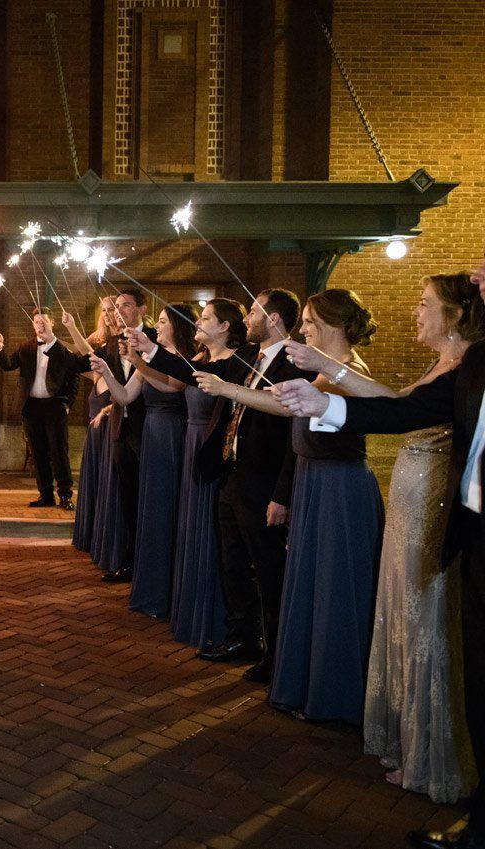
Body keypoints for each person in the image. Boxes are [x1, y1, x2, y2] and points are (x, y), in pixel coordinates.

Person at [273, 253, 485, 849]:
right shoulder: (449, 366)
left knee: (430, 627)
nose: (415, 311)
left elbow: (401, 413)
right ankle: (414, 746)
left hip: (435, 508)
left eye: (423, 303)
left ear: (455, 314)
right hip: (415, 500)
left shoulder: (468, 365)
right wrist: (326, 386)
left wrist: (327, 391)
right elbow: (401, 405)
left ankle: (437, 757)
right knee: (406, 619)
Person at [195, 289, 383, 707]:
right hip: (314, 481)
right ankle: (303, 671)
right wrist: (228, 388)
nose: (305, 329)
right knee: (306, 581)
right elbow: (286, 405)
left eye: (312, 322)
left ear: (333, 326)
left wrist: (229, 389)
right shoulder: (326, 370)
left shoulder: (348, 371)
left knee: (328, 586)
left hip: (337, 487)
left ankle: (331, 686)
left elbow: (287, 410)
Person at [128, 289, 312, 679]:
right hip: (232, 474)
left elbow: (294, 432)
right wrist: (150, 350)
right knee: (234, 564)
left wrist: (282, 494)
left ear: (275, 319)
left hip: (263, 481)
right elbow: (195, 376)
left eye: (255, 312)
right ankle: (241, 637)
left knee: (267, 568)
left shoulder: (294, 363)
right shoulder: (250, 358)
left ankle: (275, 654)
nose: (248, 319)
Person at [93, 304, 195, 613]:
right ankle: (150, 578)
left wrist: (140, 359)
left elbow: (171, 384)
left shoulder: (186, 360)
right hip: (151, 435)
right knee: (149, 506)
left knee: (169, 506)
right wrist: (107, 372)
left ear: (177, 326)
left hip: (174, 435)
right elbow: (124, 397)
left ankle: (171, 586)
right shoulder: (148, 360)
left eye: (163, 322)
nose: (158, 327)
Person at [48, 288, 156, 579]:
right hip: (121, 430)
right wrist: (51, 342)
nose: (119, 312)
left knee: (151, 500)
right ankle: (130, 562)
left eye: (126, 306)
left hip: (152, 430)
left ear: (143, 309)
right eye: (115, 306)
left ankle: (151, 563)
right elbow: (82, 364)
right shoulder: (110, 343)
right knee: (128, 497)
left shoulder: (155, 340)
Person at [169, 298, 245, 649]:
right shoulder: (202, 360)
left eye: (205, 318)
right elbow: (178, 372)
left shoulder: (235, 364)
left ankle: (219, 623)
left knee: (221, 542)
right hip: (192, 447)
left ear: (224, 326)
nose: (198, 322)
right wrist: (146, 351)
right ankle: (192, 611)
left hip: (214, 453)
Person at [0, 309, 80, 510]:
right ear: (32, 324)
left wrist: (68, 403)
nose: (40, 325)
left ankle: (65, 495)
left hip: (55, 406)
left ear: (52, 323)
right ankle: (46, 495)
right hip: (31, 407)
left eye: (43, 321)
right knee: (38, 452)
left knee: (59, 452)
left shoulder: (62, 349)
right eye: (36, 322)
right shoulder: (26, 347)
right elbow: (8, 365)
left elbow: (74, 377)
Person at [63, 299, 115, 554]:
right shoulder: (100, 349)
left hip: (111, 429)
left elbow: (88, 356)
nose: (107, 314)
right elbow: (84, 357)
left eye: (112, 309)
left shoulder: (117, 351)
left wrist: (70, 330)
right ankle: (94, 535)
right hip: (95, 427)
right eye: (103, 310)